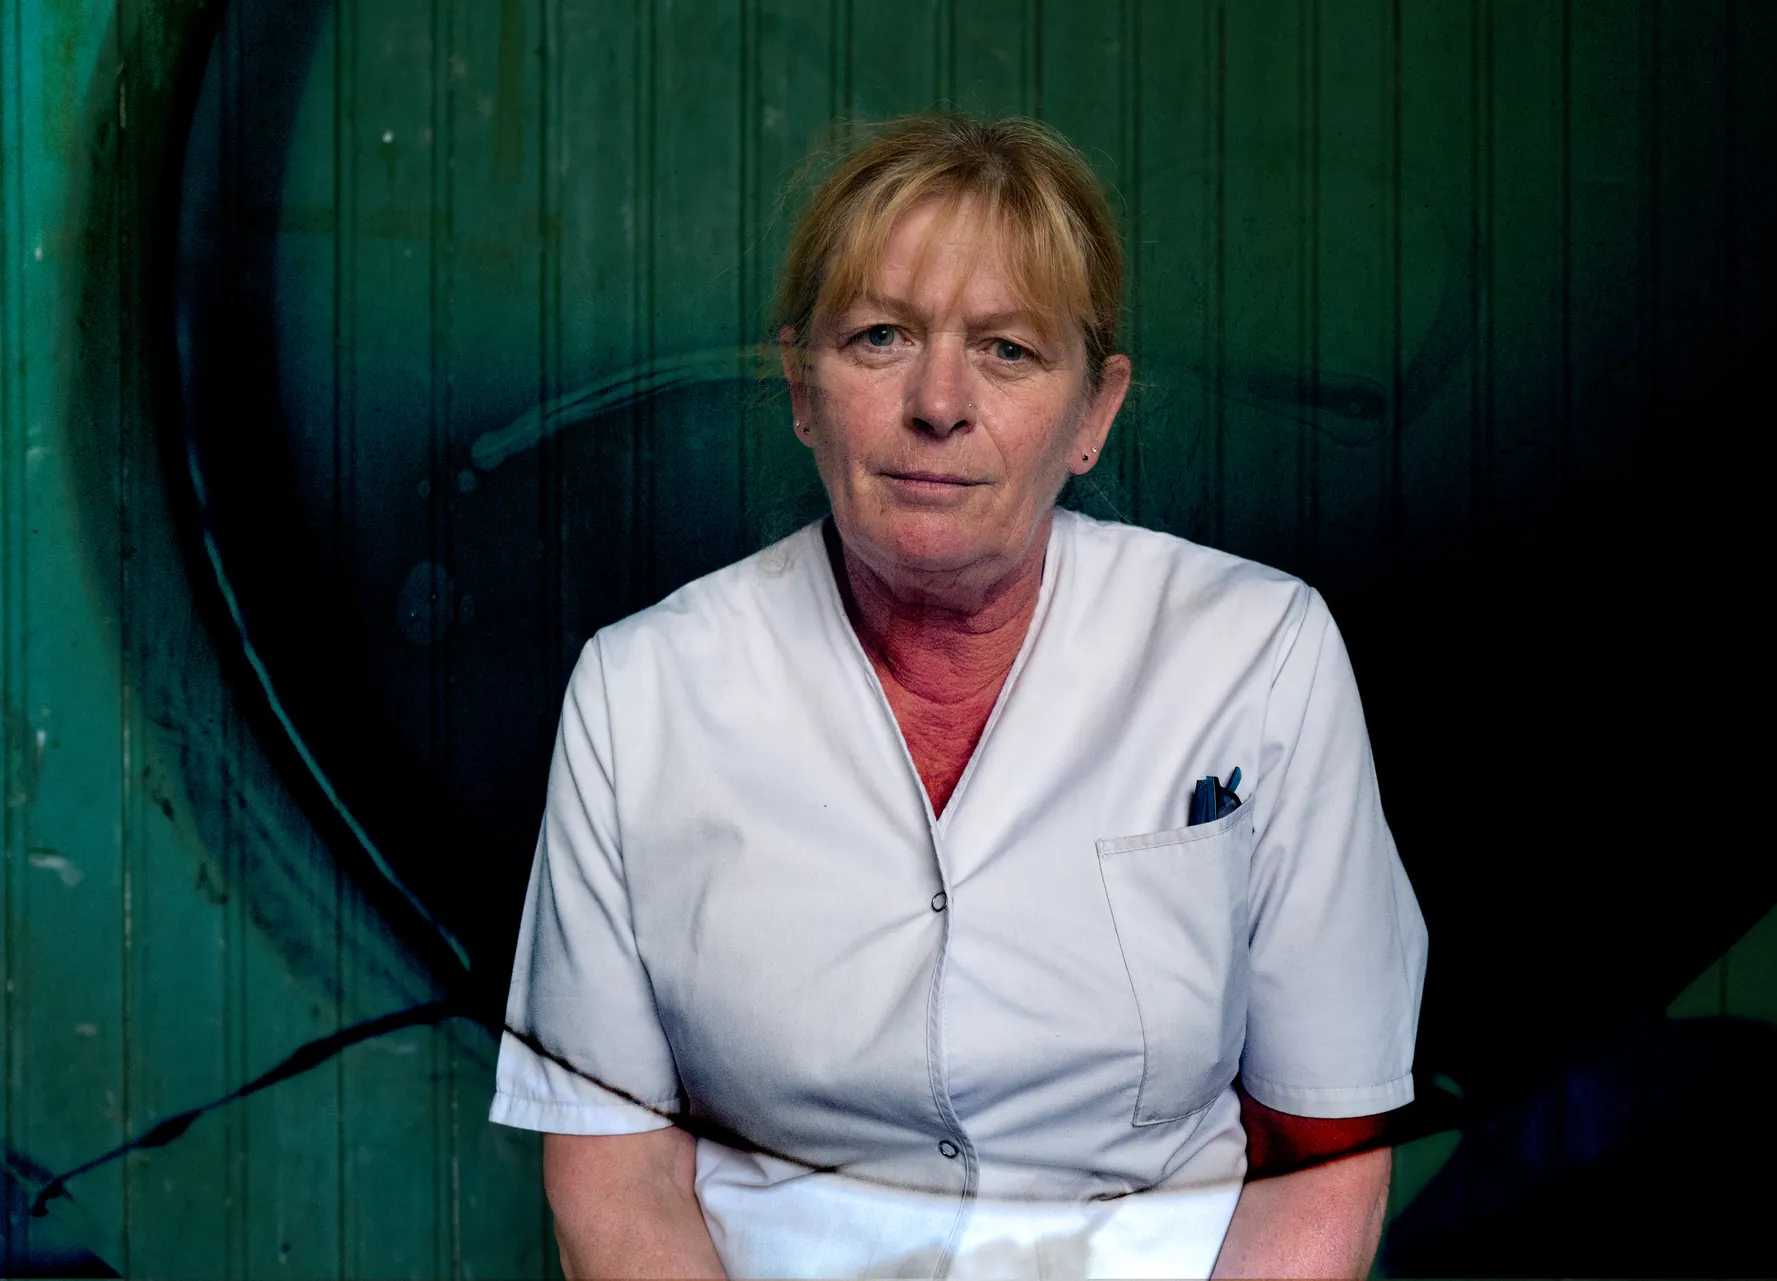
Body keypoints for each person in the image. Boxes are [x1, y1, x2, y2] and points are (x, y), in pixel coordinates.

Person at [489, 113, 1427, 1279]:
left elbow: (1324, 1146)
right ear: (800, 387)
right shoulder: (641, 693)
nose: (939, 403)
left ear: (1094, 413)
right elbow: (616, 1182)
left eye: (1008, 351)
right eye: (880, 337)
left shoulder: (1256, 652)